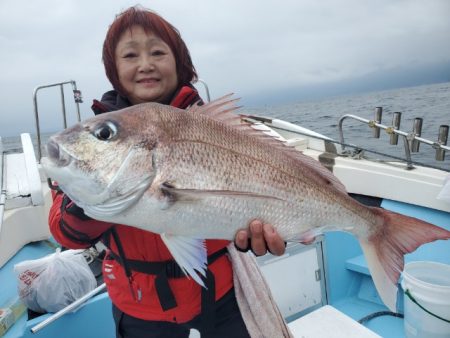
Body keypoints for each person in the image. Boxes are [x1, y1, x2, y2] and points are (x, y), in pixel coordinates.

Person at [48, 6, 286, 338]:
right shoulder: (100, 135)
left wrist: (253, 235)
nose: (145, 64)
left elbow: (247, 197)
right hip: (138, 310)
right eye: (130, 55)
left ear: (179, 62)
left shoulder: (217, 128)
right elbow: (65, 233)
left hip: (222, 299)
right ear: (114, 70)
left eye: (158, 52)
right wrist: (97, 191)